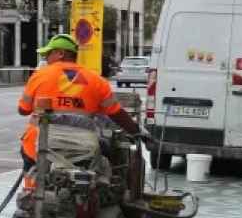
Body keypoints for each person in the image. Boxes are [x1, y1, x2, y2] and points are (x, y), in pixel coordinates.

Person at [18, 34, 147, 174]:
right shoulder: (97, 81)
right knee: (106, 157)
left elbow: (23, 110)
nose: (46, 59)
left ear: (60, 53)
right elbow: (117, 113)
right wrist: (137, 132)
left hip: (40, 147)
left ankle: (32, 185)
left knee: (31, 169)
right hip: (85, 150)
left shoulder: (39, 76)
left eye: (48, 54)